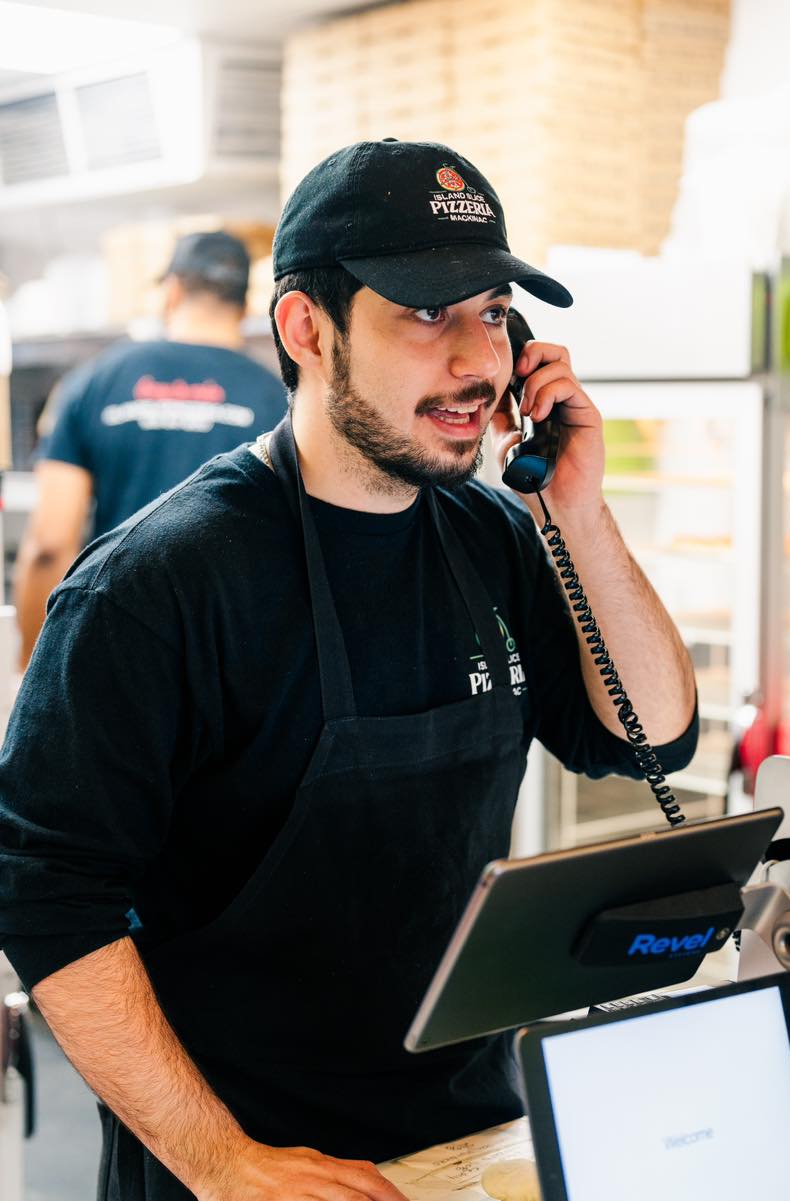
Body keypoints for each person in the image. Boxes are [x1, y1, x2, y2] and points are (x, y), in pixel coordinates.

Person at [0, 140, 698, 1201]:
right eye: (428, 314)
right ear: (306, 328)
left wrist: (581, 512)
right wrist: (226, 1162)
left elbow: (649, 733)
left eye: (496, 313)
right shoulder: (156, 587)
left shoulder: (496, 538)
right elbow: (44, 893)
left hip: (471, 1139)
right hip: (244, 1166)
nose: (481, 361)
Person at [13, 230, 288, 670]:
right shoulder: (280, 399)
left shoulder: (93, 382)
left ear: (173, 290)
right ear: (246, 302)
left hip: (114, 642)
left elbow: (49, 543)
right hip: (233, 654)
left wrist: (32, 670)